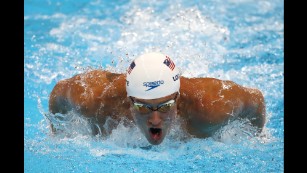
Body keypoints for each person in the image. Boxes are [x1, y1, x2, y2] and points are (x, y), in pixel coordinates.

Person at [48, 52, 266, 145]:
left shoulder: (211, 106)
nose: (154, 119)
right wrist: (58, 134)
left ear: (178, 98)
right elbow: (58, 93)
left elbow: (256, 101)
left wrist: (255, 138)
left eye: (165, 106)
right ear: (129, 100)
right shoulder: (95, 101)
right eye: (143, 107)